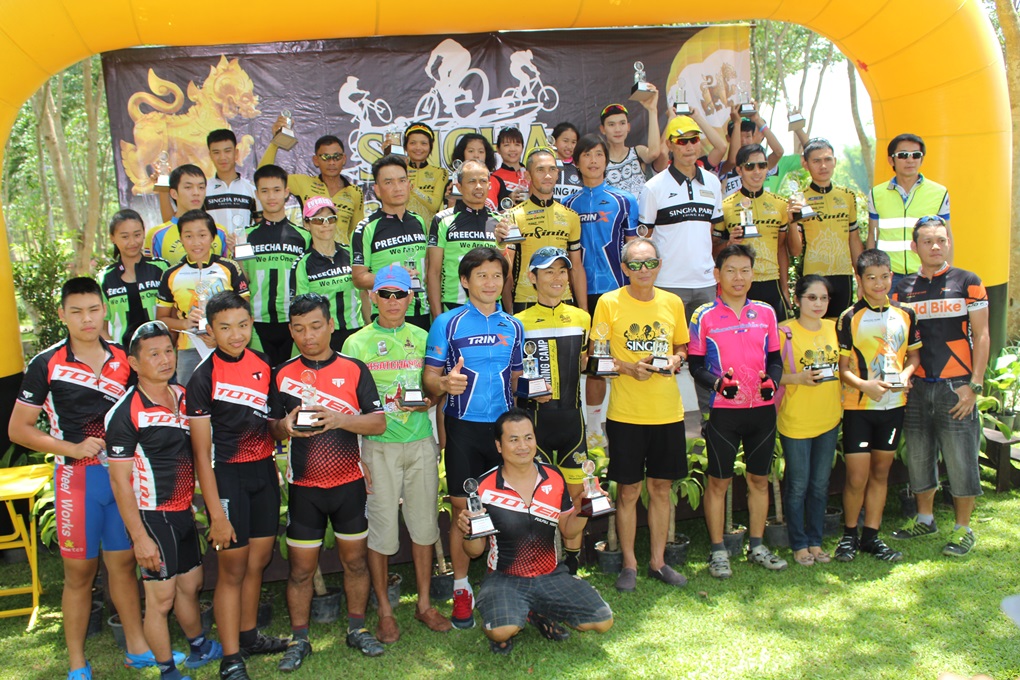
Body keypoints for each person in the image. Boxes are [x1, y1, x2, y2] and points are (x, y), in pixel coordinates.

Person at [9, 277, 167, 680]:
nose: (87, 319)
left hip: (122, 480)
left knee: (123, 566)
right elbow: (18, 429)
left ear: (104, 310)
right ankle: (77, 663)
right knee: (79, 575)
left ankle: (137, 648)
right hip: (77, 482)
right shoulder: (46, 363)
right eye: (76, 312)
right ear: (62, 314)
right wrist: (72, 447)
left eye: (94, 310)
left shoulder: (124, 358)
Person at [268, 293, 388, 667]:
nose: (308, 336)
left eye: (316, 326)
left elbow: (378, 423)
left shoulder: (354, 369)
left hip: (349, 485)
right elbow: (270, 428)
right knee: (300, 570)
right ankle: (299, 639)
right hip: (305, 489)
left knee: (356, 563)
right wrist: (283, 426)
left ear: (331, 325)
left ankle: (357, 629)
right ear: (290, 331)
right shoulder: (281, 373)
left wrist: (339, 419)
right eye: (299, 329)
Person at [106, 321, 223, 680]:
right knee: (161, 599)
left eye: (169, 351)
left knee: (191, 584)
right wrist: (139, 538)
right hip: (152, 517)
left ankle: (199, 646)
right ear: (134, 363)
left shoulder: (183, 396)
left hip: (181, 512)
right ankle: (167, 671)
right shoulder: (125, 412)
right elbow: (119, 481)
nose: (165, 359)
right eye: (153, 354)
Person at [344, 266, 452, 645]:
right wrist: (357, 456)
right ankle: (386, 612)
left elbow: (435, 387)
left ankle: (424, 604)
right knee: (381, 530)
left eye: (400, 294)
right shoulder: (355, 343)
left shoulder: (423, 337)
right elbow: (348, 406)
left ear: (410, 298)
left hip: (420, 442)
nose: (393, 301)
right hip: (378, 448)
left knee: (424, 527)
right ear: (373, 297)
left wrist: (430, 401)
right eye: (386, 294)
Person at [186, 292, 288, 680]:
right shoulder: (202, 377)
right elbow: (201, 454)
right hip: (227, 478)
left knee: (257, 562)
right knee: (231, 571)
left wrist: (289, 425)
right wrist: (215, 514)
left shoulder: (262, 363)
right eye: (225, 327)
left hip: (263, 474)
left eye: (243, 325)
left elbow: (272, 424)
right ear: (210, 331)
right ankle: (230, 658)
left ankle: (248, 637)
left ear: (251, 324)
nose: (236, 335)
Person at [423, 247, 524, 629]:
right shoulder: (447, 323)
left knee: (511, 508)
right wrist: (444, 384)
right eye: (481, 275)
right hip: (463, 429)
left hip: (503, 432)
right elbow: (429, 379)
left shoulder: (513, 326)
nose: (490, 283)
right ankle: (462, 589)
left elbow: (517, 379)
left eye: (497, 275)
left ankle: (511, 584)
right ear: (465, 281)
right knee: (463, 513)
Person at [458, 409, 613, 654]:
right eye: (513, 439)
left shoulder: (554, 476)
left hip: (550, 574)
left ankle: (538, 610)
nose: (523, 446)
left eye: (528, 438)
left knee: (603, 621)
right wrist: (469, 531)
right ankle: (518, 611)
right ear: (499, 446)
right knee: (501, 630)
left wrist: (585, 507)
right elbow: (474, 551)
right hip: (504, 578)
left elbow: (568, 529)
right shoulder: (483, 487)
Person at [591, 237, 689, 591]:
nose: (643, 270)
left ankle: (658, 562)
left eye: (649, 263)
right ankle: (630, 564)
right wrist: (629, 368)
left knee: (661, 489)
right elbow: (596, 356)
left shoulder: (672, 302)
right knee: (628, 491)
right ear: (624, 268)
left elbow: (682, 345)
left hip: (667, 413)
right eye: (635, 264)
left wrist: (676, 358)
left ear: (659, 265)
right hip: (626, 414)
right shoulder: (608, 303)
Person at [891, 216, 989, 556]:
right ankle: (925, 518)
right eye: (928, 241)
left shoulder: (968, 281)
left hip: (957, 387)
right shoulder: (900, 289)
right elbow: (897, 339)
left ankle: (963, 529)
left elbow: (982, 335)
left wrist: (974, 386)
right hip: (917, 387)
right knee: (919, 457)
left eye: (942, 240)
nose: (936, 246)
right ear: (914, 246)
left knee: (961, 460)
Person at [689, 245, 788, 579]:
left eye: (745, 270)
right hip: (723, 412)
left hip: (762, 411)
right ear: (717, 274)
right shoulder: (703, 316)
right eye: (731, 270)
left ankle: (757, 546)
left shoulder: (766, 312)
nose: (738, 277)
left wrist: (773, 382)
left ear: (753, 274)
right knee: (719, 482)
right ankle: (718, 550)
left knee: (759, 480)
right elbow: (696, 366)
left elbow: (775, 360)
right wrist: (718, 385)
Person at [834, 248, 921, 563]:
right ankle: (849, 536)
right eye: (871, 278)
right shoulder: (849, 317)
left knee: (881, 473)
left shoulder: (906, 313)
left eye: (884, 277)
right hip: (859, 408)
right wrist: (864, 386)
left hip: (894, 406)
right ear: (859, 279)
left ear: (891, 276)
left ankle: (871, 537)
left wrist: (906, 376)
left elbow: (914, 356)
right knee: (857, 477)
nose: (879, 283)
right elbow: (842, 368)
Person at [514, 247, 591, 574]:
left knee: (580, 498)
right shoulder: (518, 323)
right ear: (532, 278)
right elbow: (513, 377)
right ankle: (542, 564)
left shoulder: (582, 318)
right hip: (536, 428)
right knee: (538, 500)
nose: (557, 278)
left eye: (562, 271)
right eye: (549, 272)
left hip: (573, 425)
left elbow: (586, 362)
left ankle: (572, 565)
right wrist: (526, 390)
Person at [639, 115, 723, 415]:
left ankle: (710, 421)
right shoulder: (653, 187)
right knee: (663, 355)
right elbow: (644, 239)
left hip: (705, 284)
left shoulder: (712, 182)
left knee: (707, 357)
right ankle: (660, 417)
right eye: (682, 141)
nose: (689, 146)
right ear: (670, 145)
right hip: (667, 285)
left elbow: (714, 232)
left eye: (693, 140)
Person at [561, 134, 638, 442]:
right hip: (579, 296)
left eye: (598, 154)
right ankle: (592, 429)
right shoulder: (568, 205)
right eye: (587, 155)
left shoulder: (625, 200)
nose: (593, 161)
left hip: (617, 292)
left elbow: (634, 250)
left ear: (606, 160)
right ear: (576, 162)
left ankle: (624, 422)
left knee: (617, 358)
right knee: (591, 363)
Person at [777, 275, 842, 567]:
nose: (818, 304)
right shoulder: (784, 332)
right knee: (798, 485)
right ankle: (799, 544)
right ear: (797, 299)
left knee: (819, 484)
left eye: (824, 298)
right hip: (796, 420)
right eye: (812, 298)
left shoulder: (834, 328)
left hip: (829, 417)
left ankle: (816, 541)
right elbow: (770, 374)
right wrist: (798, 378)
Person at [155, 210, 249, 385]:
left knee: (229, 395)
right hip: (189, 349)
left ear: (213, 237)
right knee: (189, 397)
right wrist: (185, 323)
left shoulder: (229, 267)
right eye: (188, 236)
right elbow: (161, 319)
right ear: (181, 238)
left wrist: (220, 335)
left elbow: (245, 311)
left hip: (228, 346)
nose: (196, 242)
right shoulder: (170, 274)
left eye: (202, 235)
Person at [715, 144, 802, 321]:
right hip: (739, 284)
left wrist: (784, 288)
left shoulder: (780, 204)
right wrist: (728, 244)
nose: (757, 171)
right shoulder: (725, 206)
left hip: (772, 283)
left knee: (778, 337)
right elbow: (713, 251)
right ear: (739, 170)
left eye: (762, 166)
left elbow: (782, 249)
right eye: (750, 166)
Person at [239, 164, 311, 367]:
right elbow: (242, 280)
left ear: (286, 192)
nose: (271, 196)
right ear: (256, 194)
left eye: (277, 190)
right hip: (257, 322)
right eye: (265, 191)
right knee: (261, 377)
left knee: (292, 378)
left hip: (293, 320)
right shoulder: (245, 236)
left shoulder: (303, 236)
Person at [502, 147, 586, 313]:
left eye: (552, 170)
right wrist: (509, 310)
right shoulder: (513, 216)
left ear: (557, 173)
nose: (547, 176)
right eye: (540, 170)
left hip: (563, 300)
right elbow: (507, 270)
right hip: (525, 301)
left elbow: (576, 267)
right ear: (528, 175)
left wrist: (584, 310)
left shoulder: (571, 216)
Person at [351, 154, 431, 329]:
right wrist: (393, 278)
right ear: (377, 190)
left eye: (402, 181)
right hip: (388, 316)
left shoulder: (419, 221)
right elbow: (358, 278)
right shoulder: (366, 228)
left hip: (423, 314)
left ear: (409, 185)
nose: (397, 188)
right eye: (389, 182)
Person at [867, 133, 951, 288]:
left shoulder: (939, 193)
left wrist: (947, 276)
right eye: (903, 155)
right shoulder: (876, 194)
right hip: (888, 276)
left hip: (926, 273)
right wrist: (870, 275)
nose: (910, 160)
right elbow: (872, 236)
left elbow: (947, 236)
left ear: (922, 159)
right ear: (891, 160)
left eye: (916, 155)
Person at [797, 138, 864, 318]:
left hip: (843, 275)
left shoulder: (847, 196)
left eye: (827, 159)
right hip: (813, 274)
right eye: (816, 161)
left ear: (835, 161)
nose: (823, 166)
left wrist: (861, 278)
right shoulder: (799, 199)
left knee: (842, 325)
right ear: (806, 164)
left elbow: (854, 239)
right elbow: (795, 249)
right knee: (815, 325)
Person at [292, 196, 369, 352]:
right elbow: (302, 310)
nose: (325, 224)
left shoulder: (350, 254)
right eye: (318, 220)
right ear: (306, 224)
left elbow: (364, 295)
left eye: (331, 219)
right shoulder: (302, 263)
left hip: (357, 333)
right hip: (324, 338)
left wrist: (369, 328)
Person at [261, 128, 364, 243]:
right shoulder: (304, 183)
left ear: (344, 159)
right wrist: (275, 143)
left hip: (343, 253)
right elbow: (263, 177)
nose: (331, 162)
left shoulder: (355, 192)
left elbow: (357, 234)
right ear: (316, 160)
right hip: (312, 252)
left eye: (337, 157)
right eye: (325, 157)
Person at [427, 160, 500, 315]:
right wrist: (437, 317)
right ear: (459, 187)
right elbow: (433, 272)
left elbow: (506, 273)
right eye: (471, 181)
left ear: (489, 185)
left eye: (483, 181)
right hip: (453, 305)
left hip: (491, 306)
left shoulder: (500, 222)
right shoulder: (442, 220)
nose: (478, 186)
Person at [99, 209, 169, 347]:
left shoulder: (161, 267)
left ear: (144, 233)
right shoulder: (105, 278)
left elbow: (173, 313)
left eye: (137, 235)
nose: (132, 242)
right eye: (125, 237)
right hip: (122, 353)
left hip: (160, 351)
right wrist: (116, 352)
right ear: (112, 238)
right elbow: (101, 326)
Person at [144, 164, 227, 263]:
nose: (196, 193)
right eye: (188, 187)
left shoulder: (220, 232)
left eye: (201, 187)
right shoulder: (157, 235)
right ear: (174, 193)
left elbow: (229, 269)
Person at [598, 99, 662, 198]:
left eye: (622, 123)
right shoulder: (600, 161)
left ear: (628, 127)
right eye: (611, 125)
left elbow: (653, 153)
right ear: (603, 129)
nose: (618, 129)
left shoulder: (637, 152)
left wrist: (652, 110)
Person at [718, 108, 784, 196]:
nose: (744, 141)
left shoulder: (760, 165)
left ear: (753, 137)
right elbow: (734, 160)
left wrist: (757, 120)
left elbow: (778, 152)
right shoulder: (724, 167)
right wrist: (737, 123)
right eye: (739, 136)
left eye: (748, 136)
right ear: (728, 139)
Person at [204, 129, 259, 234]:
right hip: (213, 245)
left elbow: (260, 226)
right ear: (210, 155)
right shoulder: (203, 190)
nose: (222, 157)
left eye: (227, 151)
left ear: (236, 153)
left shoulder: (251, 190)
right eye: (216, 152)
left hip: (245, 244)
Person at [400, 122, 449, 225]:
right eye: (413, 143)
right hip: (401, 229)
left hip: (429, 231)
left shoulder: (440, 172)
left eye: (424, 143)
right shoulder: (398, 172)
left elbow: (434, 205)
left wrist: (412, 188)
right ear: (405, 147)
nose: (418, 147)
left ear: (430, 147)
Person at [447, 132, 500, 210]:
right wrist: (451, 201)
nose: (476, 155)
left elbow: (503, 211)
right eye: (471, 151)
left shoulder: (498, 181)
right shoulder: (452, 183)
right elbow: (448, 214)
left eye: (481, 151)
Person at [492, 126, 528, 204]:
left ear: (522, 147)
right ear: (498, 149)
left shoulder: (532, 174)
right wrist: (508, 199)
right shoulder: (494, 178)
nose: (512, 149)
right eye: (506, 145)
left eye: (517, 144)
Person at [550, 122, 582, 202]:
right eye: (565, 141)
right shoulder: (546, 165)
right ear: (554, 141)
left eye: (573, 142)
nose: (569, 146)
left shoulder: (580, 168)